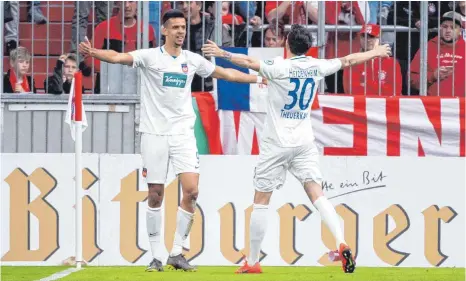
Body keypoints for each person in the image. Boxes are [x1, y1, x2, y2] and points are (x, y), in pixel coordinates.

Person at [79, 9, 264, 272]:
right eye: (175, 27)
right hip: (154, 134)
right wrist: (95, 52)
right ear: (164, 30)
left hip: (182, 135)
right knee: (155, 195)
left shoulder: (192, 60)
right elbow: (119, 57)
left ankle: (176, 252)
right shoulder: (150, 57)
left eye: (183, 27)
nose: (180, 31)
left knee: (192, 191)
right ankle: (156, 256)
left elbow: (226, 74)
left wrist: (259, 78)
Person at [202, 24, 391, 274]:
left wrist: (221, 52)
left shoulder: (279, 67)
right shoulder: (317, 66)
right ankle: (342, 242)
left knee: (261, 199)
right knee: (317, 193)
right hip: (304, 142)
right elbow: (348, 59)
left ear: (287, 44)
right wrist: (375, 53)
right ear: (308, 46)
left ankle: (253, 261)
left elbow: (248, 62)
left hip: (277, 143)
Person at [410, 11, 465, 97]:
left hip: (461, 106)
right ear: (440, 28)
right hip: (434, 106)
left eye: (453, 27)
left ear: (460, 31)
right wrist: (433, 76)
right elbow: (411, 79)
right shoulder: (428, 47)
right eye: (445, 27)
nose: (448, 31)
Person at [343, 24, 402, 96]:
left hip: (383, 105)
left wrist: (367, 87)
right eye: (363, 36)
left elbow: (394, 91)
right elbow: (351, 90)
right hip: (360, 105)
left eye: (371, 36)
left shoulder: (391, 62)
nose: (367, 40)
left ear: (379, 39)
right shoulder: (353, 61)